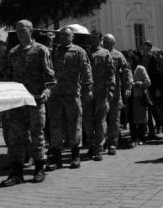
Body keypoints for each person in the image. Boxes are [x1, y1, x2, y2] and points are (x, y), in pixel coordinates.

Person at [1, 20, 56, 186]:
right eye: (16, 30)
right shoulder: (13, 52)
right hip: (17, 102)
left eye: (22, 29)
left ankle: (39, 169)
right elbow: (8, 77)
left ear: (30, 31)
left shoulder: (41, 50)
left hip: (35, 100)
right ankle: (16, 173)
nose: (19, 32)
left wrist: (47, 92)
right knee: (15, 137)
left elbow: (50, 77)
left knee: (37, 135)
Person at [46, 27, 93, 170]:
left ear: (72, 37)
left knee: (74, 126)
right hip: (55, 96)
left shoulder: (79, 51)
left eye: (67, 36)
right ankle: (57, 159)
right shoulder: (54, 51)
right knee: (55, 127)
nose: (64, 38)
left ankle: (75, 157)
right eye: (62, 36)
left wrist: (88, 89)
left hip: (72, 95)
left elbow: (86, 70)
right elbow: (46, 65)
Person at [82, 32, 115, 161]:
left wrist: (111, 89)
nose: (93, 41)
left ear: (100, 40)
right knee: (88, 121)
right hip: (88, 93)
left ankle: (99, 149)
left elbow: (111, 72)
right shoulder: (85, 53)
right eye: (91, 38)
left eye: (95, 38)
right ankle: (91, 145)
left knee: (100, 122)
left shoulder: (105, 53)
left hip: (102, 93)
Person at [102, 34, 133, 155]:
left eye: (108, 42)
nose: (105, 43)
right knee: (101, 119)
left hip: (115, 92)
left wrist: (128, 87)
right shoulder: (98, 54)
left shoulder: (118, 55)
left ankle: (112, 144)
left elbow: (126, 71)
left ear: (113, 43)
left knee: (114, 119)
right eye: (104, 41)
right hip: (101, 92)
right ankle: (102, 142)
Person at [128, 54, 151, 146]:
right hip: (129, 97)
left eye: (129, 60)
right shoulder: (125, 69)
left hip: (139, 96)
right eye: (127, 60)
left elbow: (148, 82)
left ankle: (142, 138)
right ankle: (133, 139)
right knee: (131, 119)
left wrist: (137, 83)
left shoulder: (140, 68)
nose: (128, 62)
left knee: (141, 119)